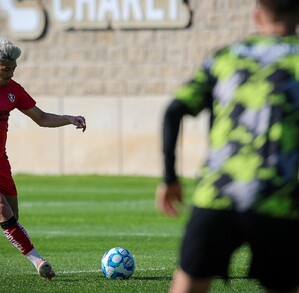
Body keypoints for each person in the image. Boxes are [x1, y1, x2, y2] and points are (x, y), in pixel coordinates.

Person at [155, 1, 299, 292]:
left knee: (188, 285)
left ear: (257, 15)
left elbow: (173, 111)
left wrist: (170, 178)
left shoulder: (225, 57)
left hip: (218, 193)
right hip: (276, 198)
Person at [0, 35, 86, 280]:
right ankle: (39, 262)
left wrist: (68, 119)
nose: (10, 75)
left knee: (12, 217)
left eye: (13, 70)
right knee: (3, 212)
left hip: (1, 162)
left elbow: (42, 118)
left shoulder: (14, 90)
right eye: (6, 70)